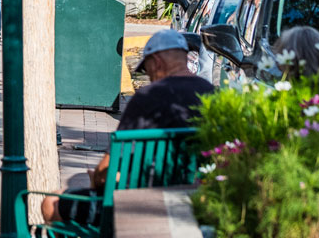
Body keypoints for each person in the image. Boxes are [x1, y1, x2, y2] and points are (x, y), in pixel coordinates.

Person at [42, 29, 214, 227]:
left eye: (148, 70)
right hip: (191, 202)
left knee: (51, 202)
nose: (149, 77)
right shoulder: (210, 93)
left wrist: (97, 178)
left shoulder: (147, 98)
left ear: (157, 62)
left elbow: (107, 167)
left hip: (138, 208)